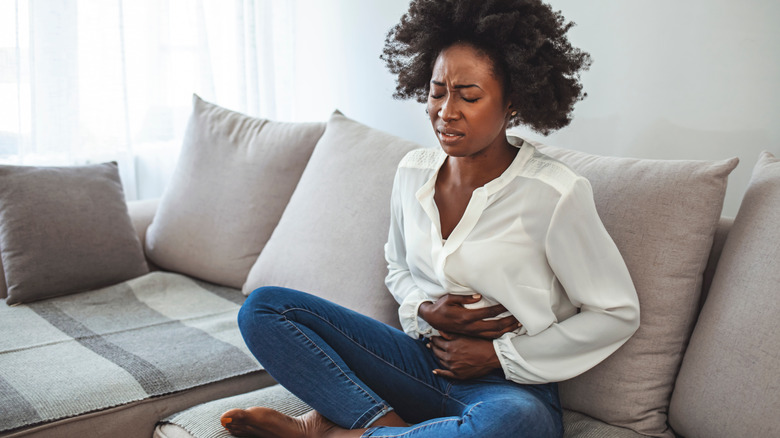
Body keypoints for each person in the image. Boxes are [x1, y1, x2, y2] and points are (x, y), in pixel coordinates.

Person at [220, 0, 640, 437]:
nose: (446, 111)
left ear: (512, 102)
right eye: (437, 91)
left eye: (469, 96)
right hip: (419, 361)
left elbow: (615, 313)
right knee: (264, 309)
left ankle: (335, 432)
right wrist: (426, 310)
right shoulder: (412, 172)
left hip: (511, 387)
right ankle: (384, 426)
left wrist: (498, 356)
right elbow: (398, 267)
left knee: (518, 424)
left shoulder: (554, 193)